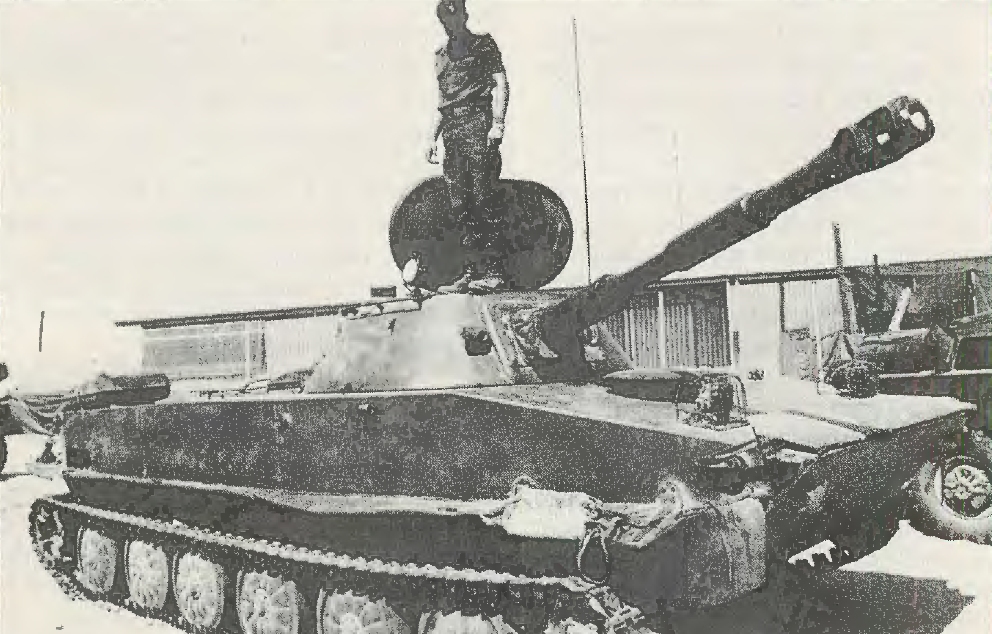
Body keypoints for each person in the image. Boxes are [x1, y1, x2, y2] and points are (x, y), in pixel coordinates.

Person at [426, 0, 510, 293]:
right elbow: (443, 104)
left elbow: (500, 82)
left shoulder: (483, 45)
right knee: (459, 205)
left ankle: (494, 271)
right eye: (445, 19)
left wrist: (497, 122)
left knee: (482, 196)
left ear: (464, 15)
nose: (450, 23)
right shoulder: (440, 56)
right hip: (452, 131)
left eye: (455, 16)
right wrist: (432, 138)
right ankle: (472, 271)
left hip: (478, 121)